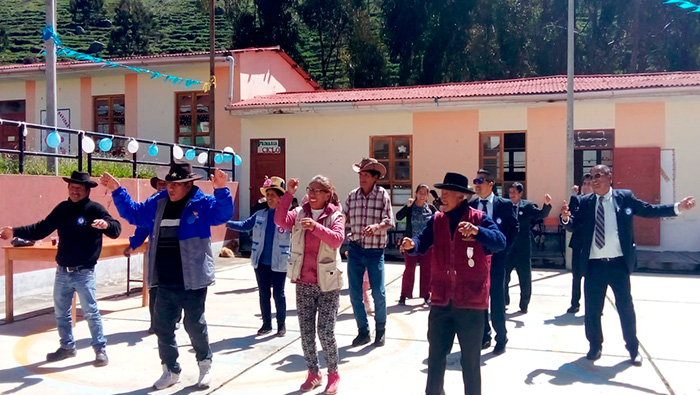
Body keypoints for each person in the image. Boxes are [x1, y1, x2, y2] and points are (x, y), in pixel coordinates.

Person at [100, 161, 233, 389]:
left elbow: (223, 214)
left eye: (176, 184)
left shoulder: (201, 203)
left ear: (189, 184)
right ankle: (170, 370)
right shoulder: (158, 202)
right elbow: (134, 214)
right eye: (169, 183)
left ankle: (205, 364)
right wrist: (117, 190)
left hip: (192, 280)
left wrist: (221, 189)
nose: (170, 188)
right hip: (163, 279)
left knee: (194, 325)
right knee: (163, 327)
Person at [561, 164, 695, 366]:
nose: (594, 180)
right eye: (591, 176)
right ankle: (595, 346)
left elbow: (649, 210)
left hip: (618, 265)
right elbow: (574, 224)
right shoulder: (586, 202)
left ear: (610, 177)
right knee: (592, 310)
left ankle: (632, 349)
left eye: (598, 175)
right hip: (594, 266)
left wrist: (678, 207)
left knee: (625, 308)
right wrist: (565, 219)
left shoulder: (624, 197)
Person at [0, 171, 121, 367]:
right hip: (63, 271)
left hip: (84, 273)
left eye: (79, 188)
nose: (75, 191)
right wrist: (14, 231)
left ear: (87, 191)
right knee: (61, 312)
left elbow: (116, 229)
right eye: (72, 188)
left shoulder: (95, 209)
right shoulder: (63, 209)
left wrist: (106, 224)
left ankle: (100, 349)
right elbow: (40, 228)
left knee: (91, 312)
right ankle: (67, 347)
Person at [400, 172, 505, 395]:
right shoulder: (437, 220)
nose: (442, 198)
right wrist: (412, 244)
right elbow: (422, 240)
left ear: (461, 197)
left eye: (447, 194)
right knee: (436, 358)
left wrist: (478, 232)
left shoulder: (478, 218)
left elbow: (500, 242)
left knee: (470, 363)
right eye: (442, 194)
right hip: (441, 301)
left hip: (471, 302)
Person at [275, 175, 345, 395]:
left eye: (317, 190)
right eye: (309, 189)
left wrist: (315, 227)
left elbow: (336, 239)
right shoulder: (300, 212)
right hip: (304, 281)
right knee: (306, 332)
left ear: (327, 194)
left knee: (325, 331)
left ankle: (333, 374)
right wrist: (288, 194)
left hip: (327, 282)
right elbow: (279, 219)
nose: (312, 194)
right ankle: (313, 373)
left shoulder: (336, 215)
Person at [226, 176, 290, 337]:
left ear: (281, 198)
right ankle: (266, 324)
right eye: (268, 195)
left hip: (279, 260)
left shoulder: (287, 217)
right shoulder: (260, 214)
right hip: (261, 261)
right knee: (264, 294)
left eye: (273, 195)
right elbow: (245, 225)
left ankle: (281, 325)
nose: (269, 198)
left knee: (278, 294)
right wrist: (226, 222)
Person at [343, 157, 395, 348]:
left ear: (375, 177)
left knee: (378, 293)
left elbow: (390, 221)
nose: (362, 178)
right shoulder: (352, 195)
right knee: (355, 293)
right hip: (355, 248)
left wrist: (376, 227)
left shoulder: (382, 195)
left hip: (375, 251)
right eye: (360, 174)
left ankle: (380, 331)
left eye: (366, 175)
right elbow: (343, 216)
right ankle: (363, 331)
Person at [122, 174, 180, 334]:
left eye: (166, 184)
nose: (162, 187)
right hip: (156, 253)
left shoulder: (179, 203)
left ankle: (175, 319)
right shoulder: (152, 204)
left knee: (175, 289)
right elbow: (142, 227)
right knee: (154, 288)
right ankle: (155, 323)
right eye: (160, 184)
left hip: (175, 253)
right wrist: (133, 244)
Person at [469, 169, 519, 355]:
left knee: (497, 300)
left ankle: (501, 337)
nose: (476, 184)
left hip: (497, 260)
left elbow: (514, 228)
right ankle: (484, 335)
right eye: (475, 180)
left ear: (491, 183)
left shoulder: (504, 205)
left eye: (480, 180)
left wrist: (505, 250)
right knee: (479, 299)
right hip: (476, 260)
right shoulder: (472, 204)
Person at [505, 182, 552, 313]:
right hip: (508, 248)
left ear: (520, 194)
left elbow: (541, 214)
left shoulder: (527, 206)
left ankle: (524, 304)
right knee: (504, 277)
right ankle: (504, 300)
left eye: (515, 192)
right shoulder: (505, 206)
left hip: (523, 249)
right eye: (510, 192)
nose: (512, 195)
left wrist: (546, 205)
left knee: (524, 278)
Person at [396, 184, 437, 305]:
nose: (422, 195)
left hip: (426, 245)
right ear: (416, 194)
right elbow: (398, 217)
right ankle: (404, 295)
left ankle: (426, 295)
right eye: (420, 192)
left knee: (426, 270)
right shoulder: (410, 207)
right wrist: (406, 206)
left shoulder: (431, 208)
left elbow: (439, 220)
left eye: (425, 193)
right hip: (411, 243)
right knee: (409, 269)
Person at [566, 174, 593, 314]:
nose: (587, 186)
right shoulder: (577, 200)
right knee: (576, 276)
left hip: (593, 246)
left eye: (589, 183)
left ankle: (593, 306)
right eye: (585, 183)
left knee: (592, 278)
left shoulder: (597, 202)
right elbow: (571, 219)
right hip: (578, 243)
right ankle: (574, 303)